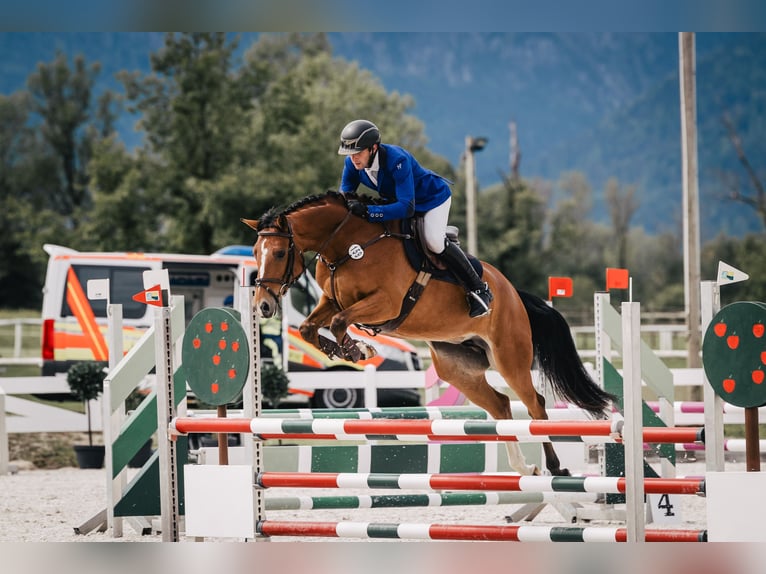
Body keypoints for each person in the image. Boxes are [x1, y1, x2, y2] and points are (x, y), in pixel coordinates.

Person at [337, 119, 493, 318]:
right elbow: (345, 199)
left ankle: (479, 289)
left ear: (373, 148)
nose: (353, 159)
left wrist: (368, 212)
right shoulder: (352, 164)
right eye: (350, 154)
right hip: (397, 202)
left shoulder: (396, 160)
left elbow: (406, 207)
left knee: (434, 242)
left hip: (432, 200)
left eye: (358, 153)